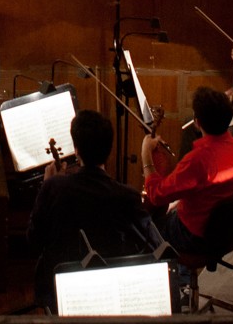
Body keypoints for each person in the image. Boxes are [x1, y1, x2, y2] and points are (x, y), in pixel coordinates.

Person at [28, 109, 162, 304]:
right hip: (109, 285)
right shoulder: (127, 196)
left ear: (76, 150)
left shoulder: (55, 187)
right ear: (109, 150)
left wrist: (46, 186)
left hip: (59, 286)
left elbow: (33, 242)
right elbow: (152, 245)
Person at [141, 86, 233, 255]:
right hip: (230, 233)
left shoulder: (197, 160)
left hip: (195, 237)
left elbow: (156, 195)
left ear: (197, 122)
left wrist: (146, 155)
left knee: (146, 226)